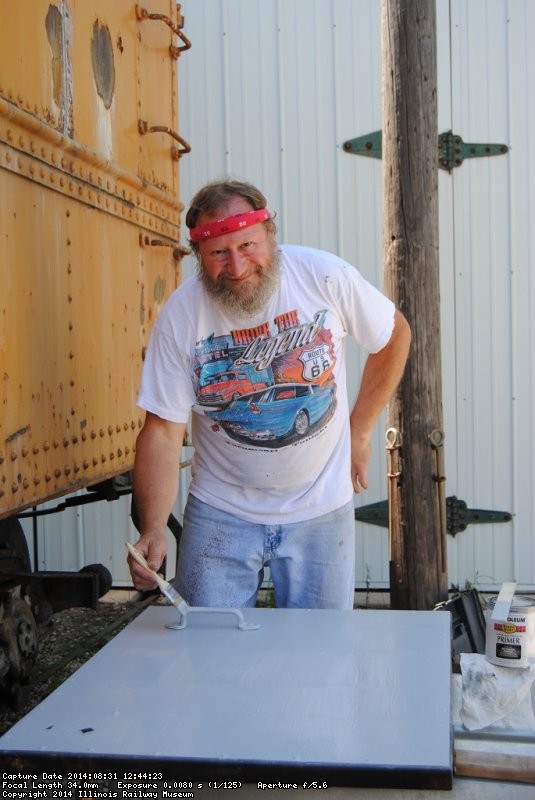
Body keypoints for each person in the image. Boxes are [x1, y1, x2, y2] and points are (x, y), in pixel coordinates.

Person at [128, 178, 411, 609]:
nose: (237, 267)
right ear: (198, 257)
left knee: (321, 658)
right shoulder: (180, 318)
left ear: (270, 236)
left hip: (321, 508)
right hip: (221, 510)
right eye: (219, 253)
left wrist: (360, 429)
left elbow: (393, 336)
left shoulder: (323, 277)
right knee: (210, 651)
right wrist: (151, 527)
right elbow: (163, 432)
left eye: (247, 246)